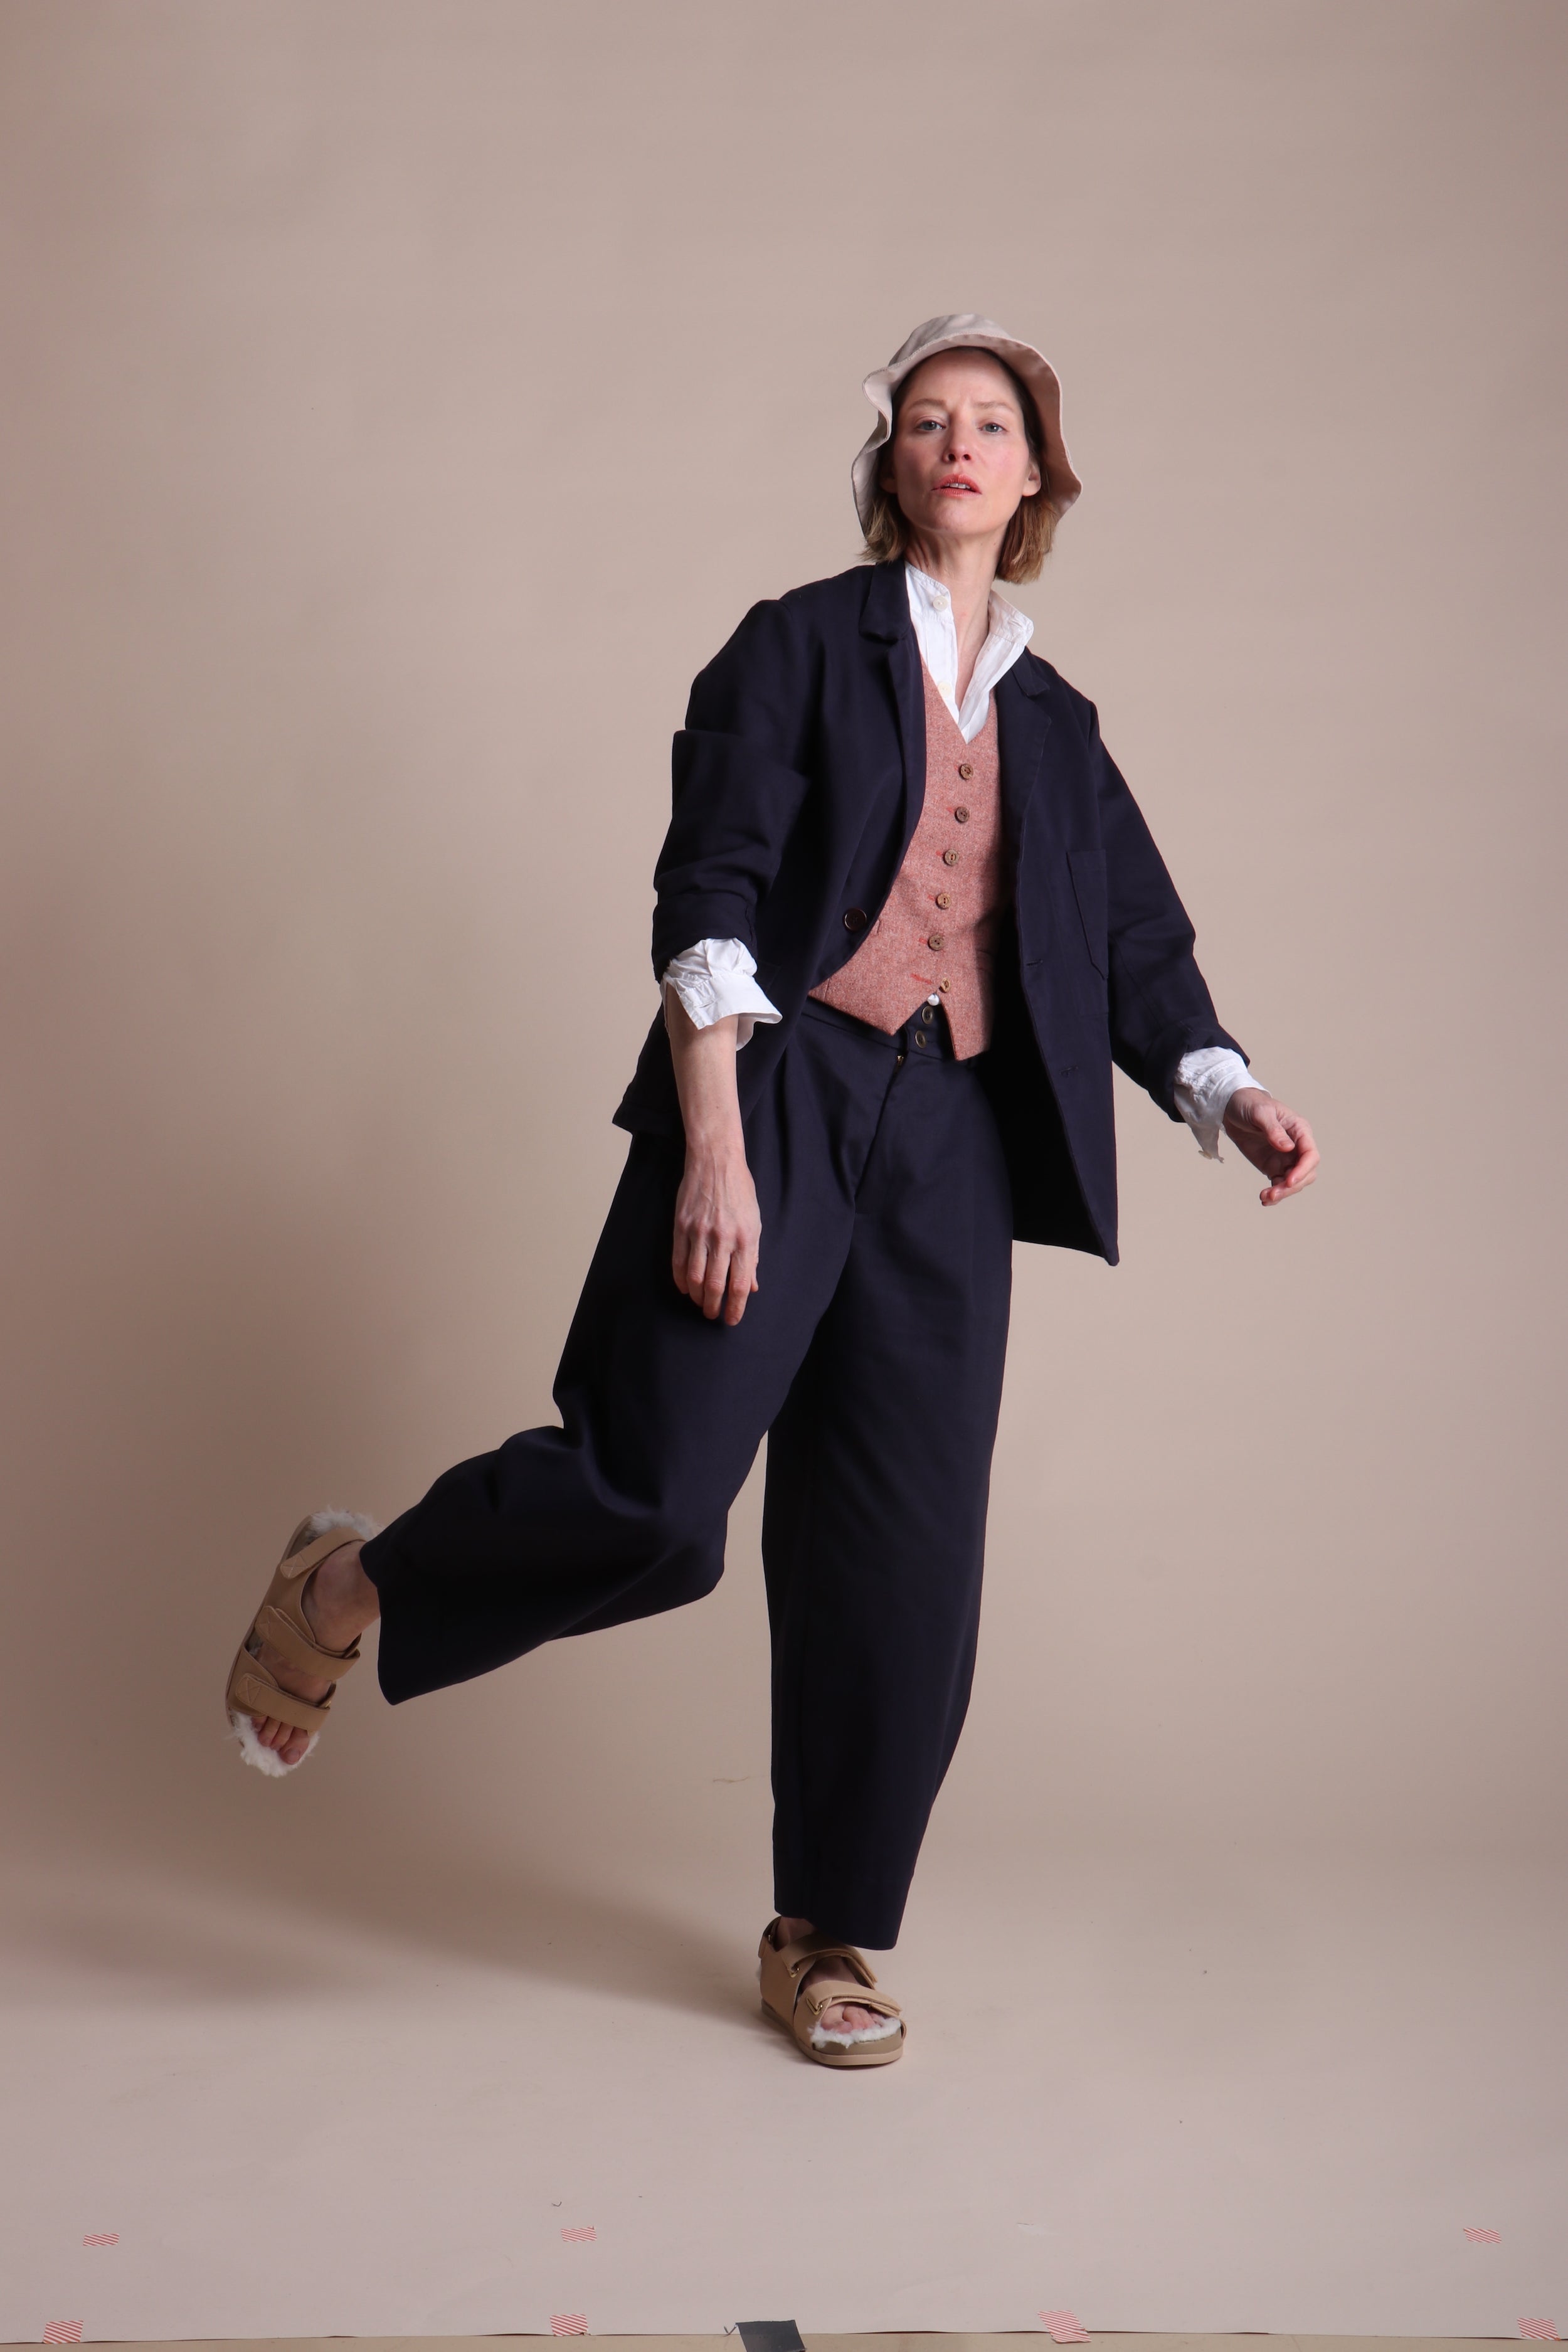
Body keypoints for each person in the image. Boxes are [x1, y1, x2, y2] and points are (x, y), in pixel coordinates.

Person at [224, 314, 1318, 2069]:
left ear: (1037, 472)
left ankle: (826, 1935)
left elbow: (1129, 942)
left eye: (994, 424)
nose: (958, 444)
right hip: (784, 1085)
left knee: (903, 1555)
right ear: (892, 462)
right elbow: (711, 882)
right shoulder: (794, 648)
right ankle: (351, 1585)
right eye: (928, 420)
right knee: (653, 1493)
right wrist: (716, 1138)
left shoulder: (1058, 722)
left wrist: (1226, 1087)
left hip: (954, 1143)